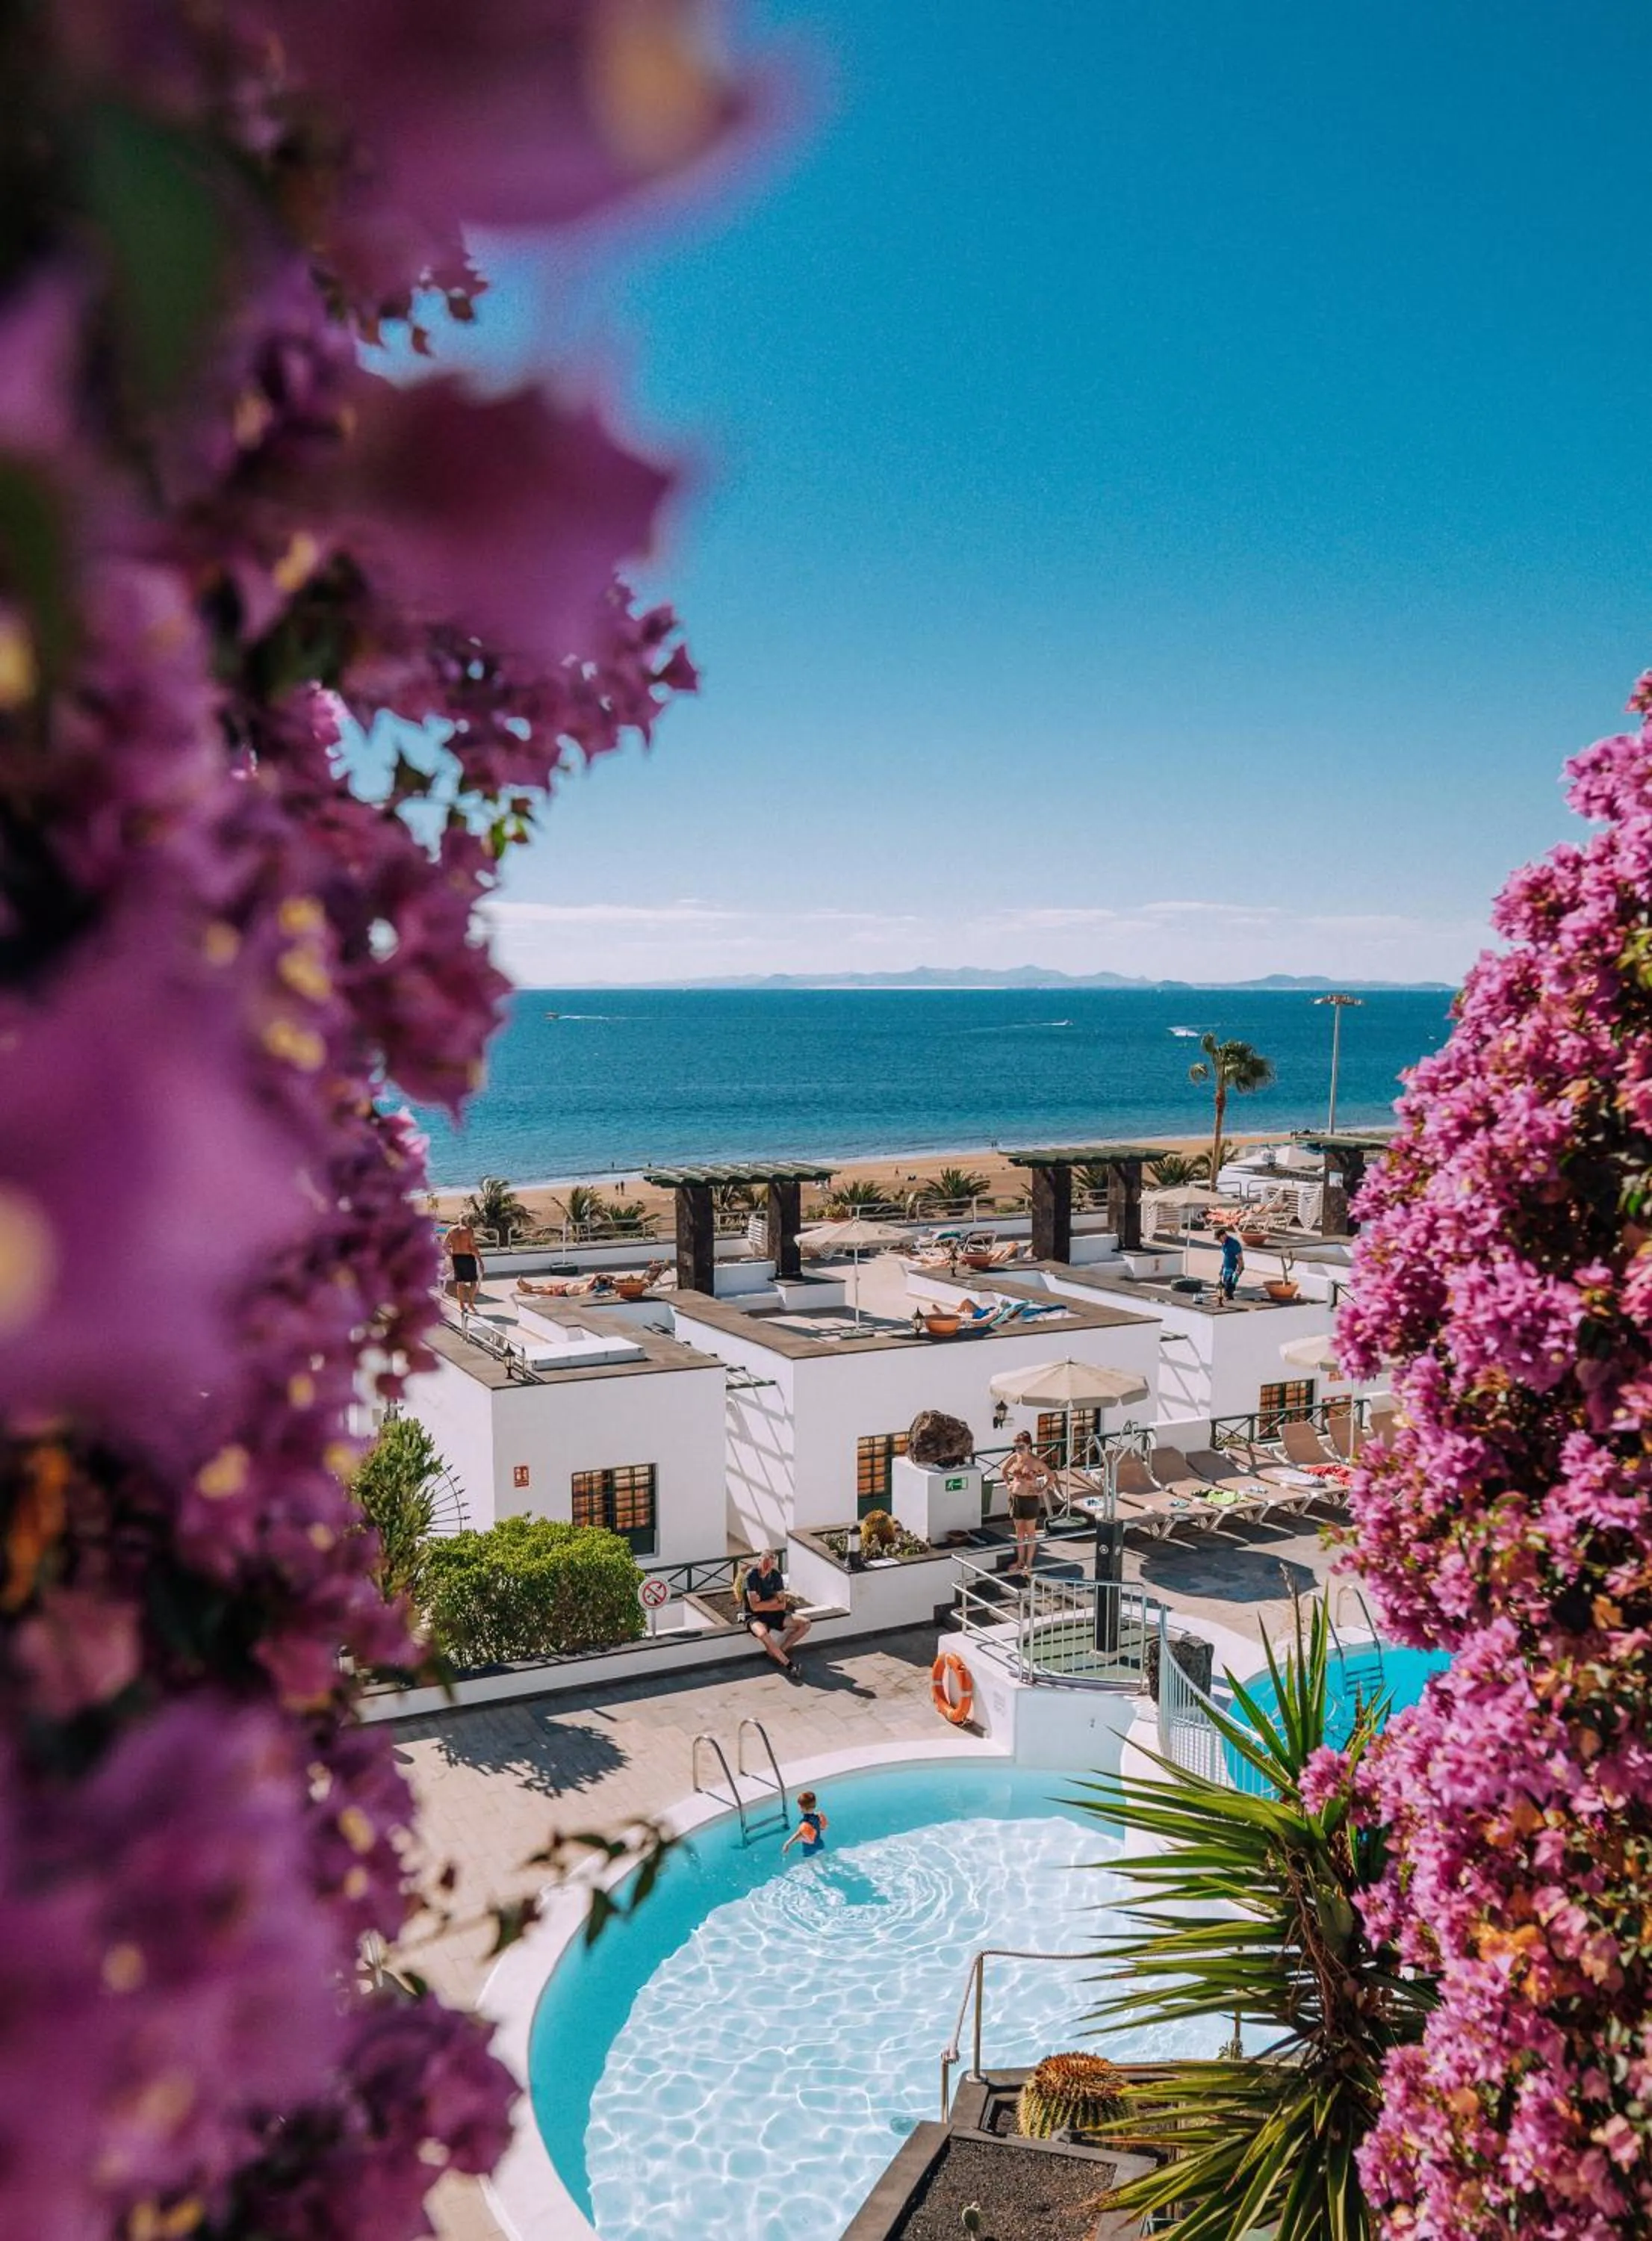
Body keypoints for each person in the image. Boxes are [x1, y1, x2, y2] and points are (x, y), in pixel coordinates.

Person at [741, 1548, 810, 1679]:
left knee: (805, 1624)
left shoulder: (776, 1576)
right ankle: (789, 1665)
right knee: (762, 1633)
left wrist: (765, 1604)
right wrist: (774, 1601)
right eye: (765, 1563)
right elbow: (755, 1608)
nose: (768, 1566)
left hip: (775, 1614)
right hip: (754, 1617)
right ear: (760, 1561)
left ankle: (779, 1652)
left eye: (771, 1564)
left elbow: (783, 1604)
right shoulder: (752, 1576)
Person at [999, 1431, 1055, 1575]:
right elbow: (1003, 1470)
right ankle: (1020, 1561)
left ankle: (1029, 1563)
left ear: (1029, 1445)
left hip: (1030, 1500)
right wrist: (1007, 1485)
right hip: (1016, 1498)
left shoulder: (1035, 1461)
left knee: (1030, 1532)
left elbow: (1051, 1477)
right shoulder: (1014, 1457)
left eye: (1021, 1447)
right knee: (1019, 1532)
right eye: (1017, 1447)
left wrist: (1041, 1490)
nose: (1019, 1450)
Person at [444, 1218, 482, 1314]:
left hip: (457, 1257)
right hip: (468, 1257)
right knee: (473, 1282)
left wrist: (451, 1255)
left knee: (460, 1283)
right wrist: (480, 1260)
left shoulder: (451, 1230)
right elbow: (473, 1247)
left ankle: (462, 1305)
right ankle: (470, 1303)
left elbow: (444, 1245)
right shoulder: (469, 1230)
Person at [781, 1790, 828, 1859]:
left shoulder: (804, 1823)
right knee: (821, 1860)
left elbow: (798, 1834)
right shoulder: (819, 1816)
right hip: (820, 1844)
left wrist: (787, 1844)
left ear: (802, 1808)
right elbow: (824, 1827)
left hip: (809, 1848)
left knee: (810, 1863)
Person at [1216, 1224, 1243, 1303]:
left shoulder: (1233, 1244)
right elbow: (1226, 1256)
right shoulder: (1224, 1244)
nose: (1219, 1240)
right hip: (1226, 1268)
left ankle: (1229, 1300)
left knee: (1229, 1287)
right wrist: (1222, 1268)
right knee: (1224, 1286)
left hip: (1234, 1268)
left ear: (1224, 1235)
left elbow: (1240, 1258)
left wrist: (1239, 1270)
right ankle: (1226, 1298)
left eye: (1219, 1238)